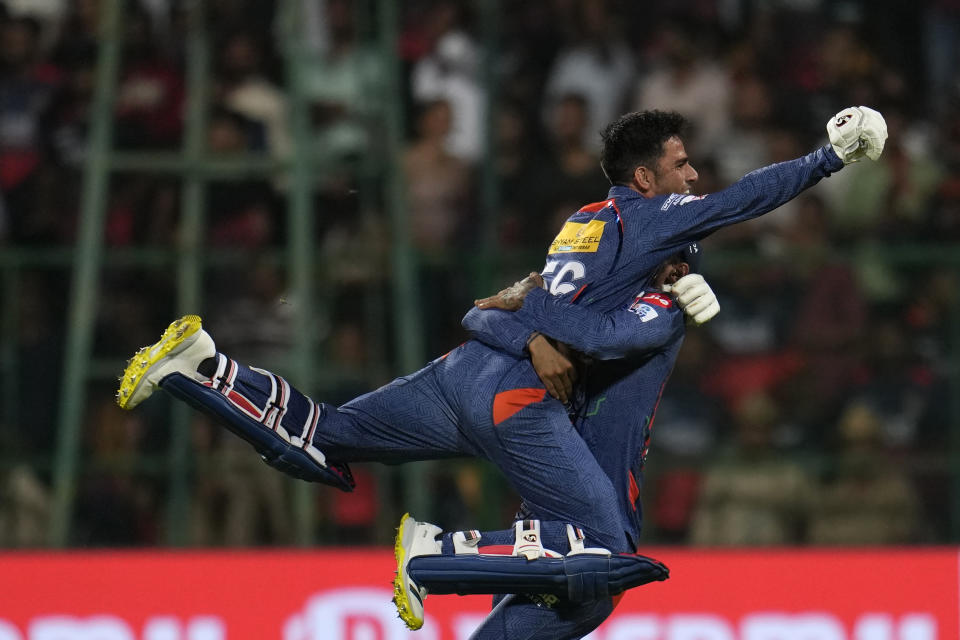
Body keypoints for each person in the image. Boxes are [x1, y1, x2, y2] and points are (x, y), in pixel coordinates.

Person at [116, 106, 886, 637]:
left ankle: (202, 369)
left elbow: (492, 307)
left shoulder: (582, 227)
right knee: (603, 552)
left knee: (326, 440)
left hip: (465, 370)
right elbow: (722, 224)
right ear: (647, 180)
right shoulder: (656, 240)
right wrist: (828, 158)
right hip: (514, 398)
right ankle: (435, 553)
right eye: (683, 167)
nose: (695, 181)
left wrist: (524, 330)